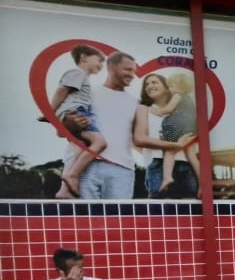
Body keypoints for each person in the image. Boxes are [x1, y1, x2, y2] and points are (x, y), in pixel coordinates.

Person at [59, 52, 194, 199]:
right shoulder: (88, 94)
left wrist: (174, 145)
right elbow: (61, 130)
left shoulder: (136, 103)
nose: (131, 75)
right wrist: (69, 122)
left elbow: (140, 139)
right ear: (111, 67)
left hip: (122, 171)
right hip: (88, 168)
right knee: (86, 220)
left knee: (119, 220)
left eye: (134, 71)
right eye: (127, 70)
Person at [42, 44, 108, 199]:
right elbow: (61, 91)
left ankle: (65, 190)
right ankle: (72, 175)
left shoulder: (82, 78)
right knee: (100, 143)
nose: (101, 65)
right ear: (84, 57)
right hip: (77, 113)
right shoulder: (77, 73)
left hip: (76, 112)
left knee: (78, 149)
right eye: (99, 60)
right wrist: (50, 113)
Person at [139, 72, 199, 196]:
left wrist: (156, 112)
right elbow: (138, 139)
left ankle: (167, 177)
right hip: (161, 160)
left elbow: (167, 111)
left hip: (184, 164)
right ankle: (203, 184)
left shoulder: (177, 97)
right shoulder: (189, 101)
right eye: (147, 84)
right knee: (191, 155)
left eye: (154, 82)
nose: (150, 86)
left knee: (169, 151)